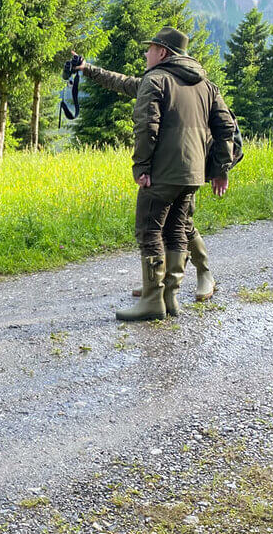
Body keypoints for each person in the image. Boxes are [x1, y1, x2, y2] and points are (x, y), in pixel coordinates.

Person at [74, 27, 234, 321]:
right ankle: (170, 298)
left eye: (150, 49)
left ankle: (152, 301)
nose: (146, 53)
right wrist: (87, 69)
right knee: (176, 230)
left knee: (149, 230)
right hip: (193, 175)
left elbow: (147, 125)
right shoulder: (206, 86)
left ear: (163, 52)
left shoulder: (157, 80)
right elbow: (226, 128)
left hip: (162, 171)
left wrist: (141, 167)